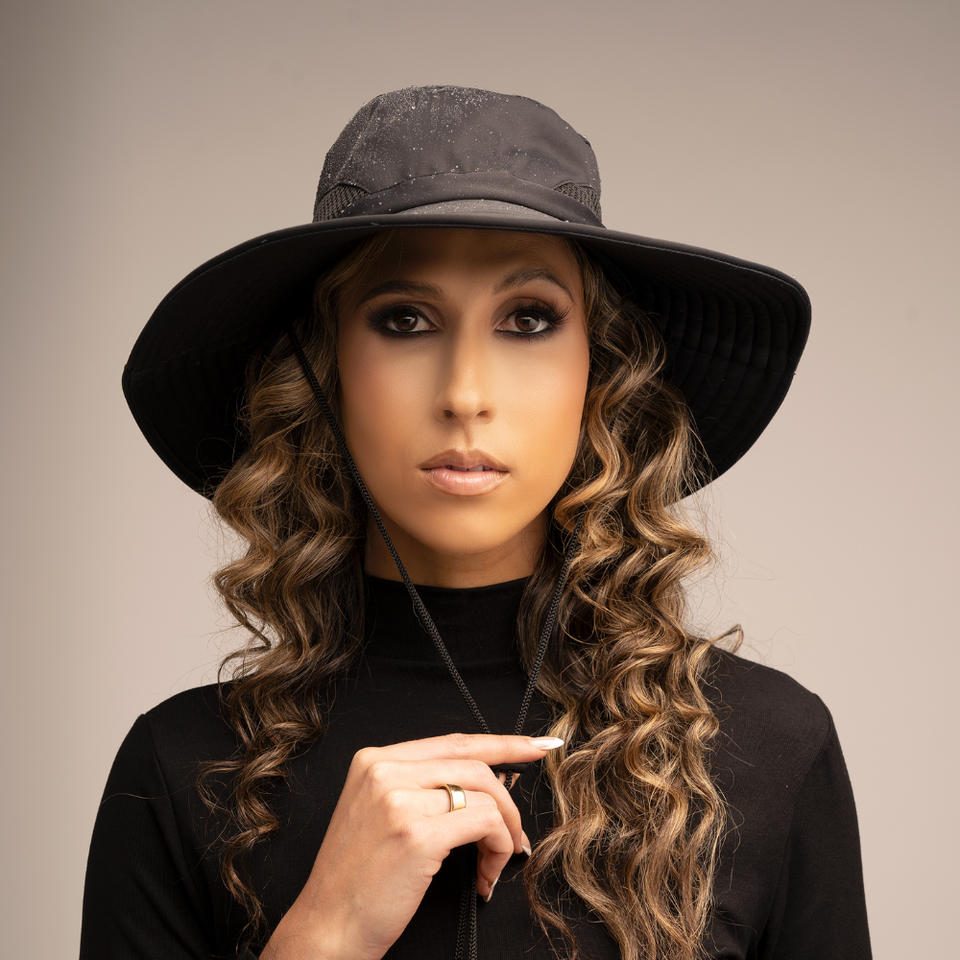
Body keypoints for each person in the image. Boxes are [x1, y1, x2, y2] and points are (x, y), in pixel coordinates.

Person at [80, 86, 871, 960]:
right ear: (326, 369)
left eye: (527, 320)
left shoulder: (768, 748)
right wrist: (325, 933)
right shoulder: (183, 769)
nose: (464, 393)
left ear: (599, 372)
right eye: (404, 320)